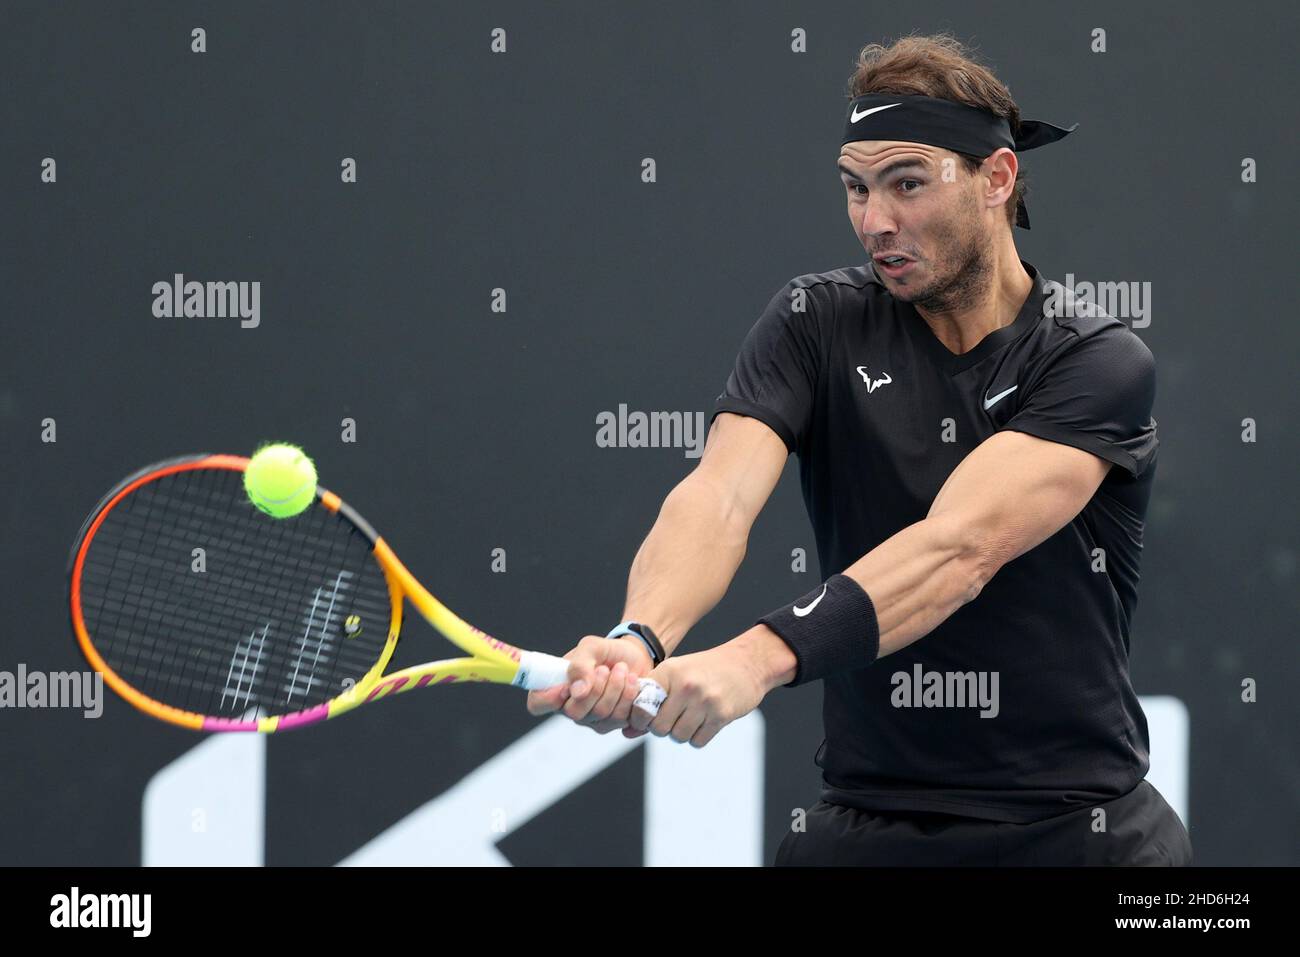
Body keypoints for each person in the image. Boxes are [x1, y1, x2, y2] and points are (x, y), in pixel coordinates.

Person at [528, 33, 1191, 866]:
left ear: (997, 178)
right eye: (856, 188)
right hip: (867, 824)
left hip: (1083, 834)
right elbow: (719, 497)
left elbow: (960, 548)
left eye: (907, 183)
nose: (876, 222)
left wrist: (754, 659)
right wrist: (639, 635)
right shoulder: (814, 321)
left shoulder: (1095, 360)